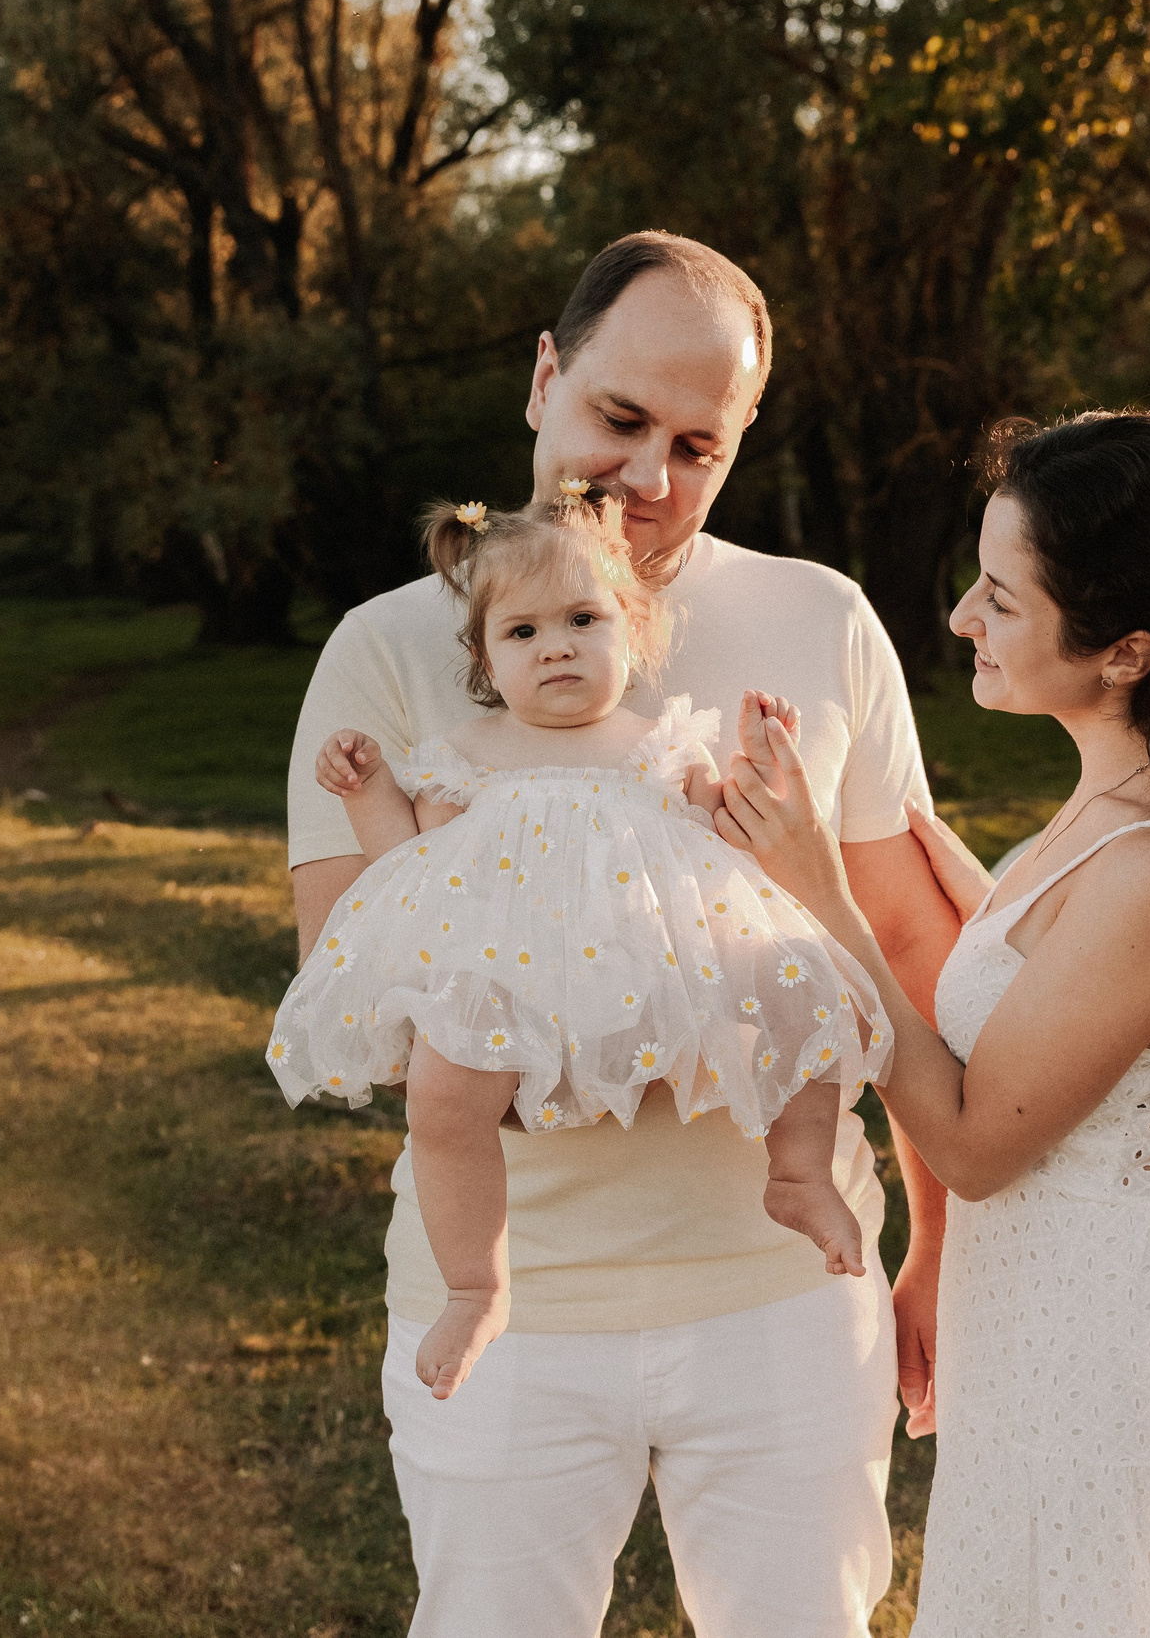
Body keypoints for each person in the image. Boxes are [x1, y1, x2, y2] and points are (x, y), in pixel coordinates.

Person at [282, 231, 963, 1638]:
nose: (650, 475)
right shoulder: (387, 649)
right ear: (544, 377)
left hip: (788, 1299)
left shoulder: (820, 621)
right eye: (619, 418)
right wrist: (616, 1041)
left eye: (698, 443)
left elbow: (899, 956)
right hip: (511, 1317)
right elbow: (357, 961)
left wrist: (937, 1252)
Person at [712, 409, 1150, 1636]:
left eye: (1000, 601)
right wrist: (900, 852)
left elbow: (973, 1142)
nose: (964, 618)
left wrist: (825, 892)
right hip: (1048, 1320)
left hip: (1102, 1351)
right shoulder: (1109, 817)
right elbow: (1028, 973)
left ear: (1123, 651)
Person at [269, 484, 891, 1399]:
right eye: (522, 633)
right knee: (444, 1093)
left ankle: (799, 1171)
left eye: (582, 619)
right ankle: (477, 1283)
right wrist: (365, 792)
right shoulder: (463, 754)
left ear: (632, 633)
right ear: (485, 659)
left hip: (655, 961)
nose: (555, 644)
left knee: (800, 981)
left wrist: (760, 762)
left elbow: (727, 839)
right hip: (505, 985)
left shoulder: (661, 745)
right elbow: (407, 865)